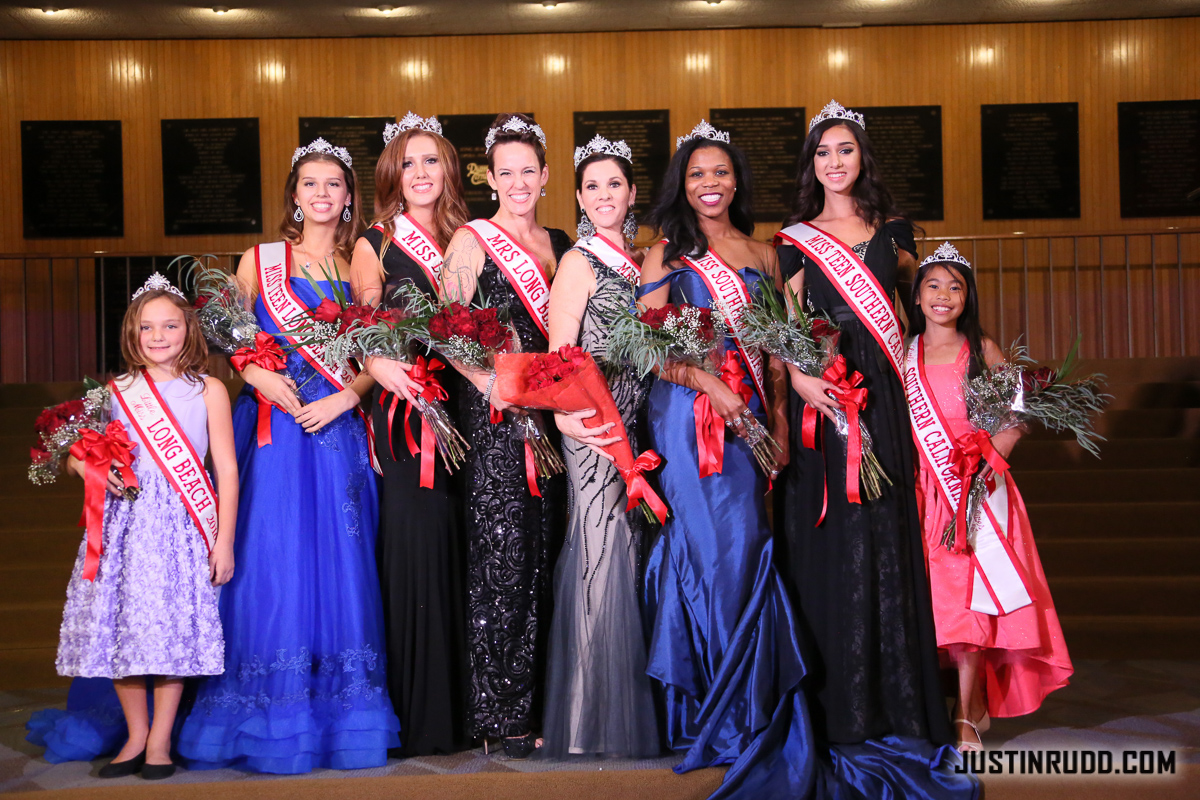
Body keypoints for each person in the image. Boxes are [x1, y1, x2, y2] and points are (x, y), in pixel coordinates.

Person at [176, 138, 401, 773]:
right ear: (294, 195)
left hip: (334, 430)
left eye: (334, 184)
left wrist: (348, 399)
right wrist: (255, 375)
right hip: (272, 427)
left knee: (340, 559)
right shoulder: (261, 259)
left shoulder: (361, 263)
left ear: (350, 196)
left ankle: (336, 710)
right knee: (272, 558)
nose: (323, 194)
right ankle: (266, 705)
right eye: (310, 184)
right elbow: (229, 335)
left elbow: (375, 355)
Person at [638, 120, 813, 797]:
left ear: (735, 180)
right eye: (696, 174)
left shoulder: (762, 253)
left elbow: (772, 349)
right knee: (710, 550)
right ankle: (717, 704)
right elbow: (650, 349)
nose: (709, 183)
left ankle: (745, 701)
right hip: (689, 418)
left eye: (719, 172)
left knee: (747, 549)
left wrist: (776, 418)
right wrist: (711, 384)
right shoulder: (667, 252)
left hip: (749, 421)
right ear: (682, 185)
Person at [774, 101, 955, 750]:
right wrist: (800, 379)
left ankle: (894, 701)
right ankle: (834, 704)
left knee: (882, 531)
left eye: (845, 150)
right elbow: (786, 328)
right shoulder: (794, 238)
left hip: (879, 391)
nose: (834, 162)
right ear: (811, 164)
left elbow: (922, 316)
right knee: (832, 532)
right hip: (822, 395)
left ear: (862, 157)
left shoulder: (896, 231)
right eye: (823, 152)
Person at [50, 276, 237, 780]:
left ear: (188, 330)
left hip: (182, 524)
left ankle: (159, 741)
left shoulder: (209, 389)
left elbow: (227, 469)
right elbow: (75, 457)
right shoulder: (114, 392)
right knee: (125, 627)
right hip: (126, 527)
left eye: (170, 325)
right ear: (132, 333)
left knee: (170, 629)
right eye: (148, 327)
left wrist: (224, 541)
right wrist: (87, 469)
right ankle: (134, 736)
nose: (159, 336)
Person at [904, 242, 1073, 751]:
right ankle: (951, 704)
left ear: (967, 297)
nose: (944, 295)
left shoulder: (983, 350)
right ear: (916, 297)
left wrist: (985, 458)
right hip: (921, 490)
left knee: (968, 604)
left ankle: (966, 710)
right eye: (933, 285)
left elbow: (1015, 416)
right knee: (933, 604)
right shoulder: (902, 352)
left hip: (974, 491)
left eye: (955, 287)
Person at [438, 113, 570, 758]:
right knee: (503, 560)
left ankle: (544, 701)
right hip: (495, 424)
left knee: (546, 559)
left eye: (529, 171)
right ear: (491, 179)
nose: (518, 182)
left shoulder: (561, 242)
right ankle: (498, 712)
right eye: (505, 172)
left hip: (554, 418)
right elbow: (444, 328)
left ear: (546, 177)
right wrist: (489, 382)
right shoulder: (471, 240)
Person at [349, 112, 472, 757]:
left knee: (461, 548)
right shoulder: (375, 242)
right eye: (410, 162)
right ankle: (417, 716)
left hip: (469, 408)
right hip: (405, 413)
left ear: (450, 169)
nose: (422, 173)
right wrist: (380, 366)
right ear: (394, 174)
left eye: (433, 161)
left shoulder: (471, 235)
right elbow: (363, 333)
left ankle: (464, 709)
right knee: (415, 545)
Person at [540, 135, 660, 759]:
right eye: (592, 186)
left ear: (632, 193)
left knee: (628, 557)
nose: (604, 195)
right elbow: (560, 360)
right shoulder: (579, 262)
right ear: (581, 198)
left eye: (615, 184)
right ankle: (587, 719)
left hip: (640, 425)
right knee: (598, 553)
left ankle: (618, 708)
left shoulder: (642, 263)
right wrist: (571, 427)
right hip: (594, 430)